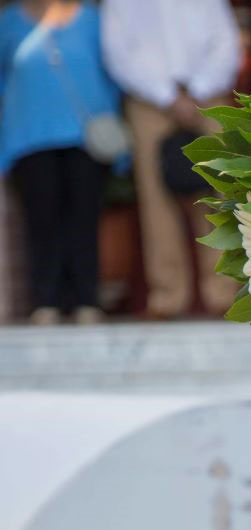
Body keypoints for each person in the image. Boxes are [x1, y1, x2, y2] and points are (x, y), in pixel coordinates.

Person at [101, 0, 240, 318]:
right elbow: (118, 53)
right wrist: (166, 96)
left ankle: (225, 292)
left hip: (209, 94)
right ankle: (167, 295)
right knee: (155, 197)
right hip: (149, 100)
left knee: (222, 188)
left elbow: (225, 41)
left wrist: (199, 89)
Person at [0, 0, 123, 325]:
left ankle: (86, 299)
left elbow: (112, 78)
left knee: (85, 218)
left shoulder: (92, 20)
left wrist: (116, 135)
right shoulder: (9, 22)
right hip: (28, 138)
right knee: (41, 221)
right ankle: (46, 300)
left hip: (87, 138)